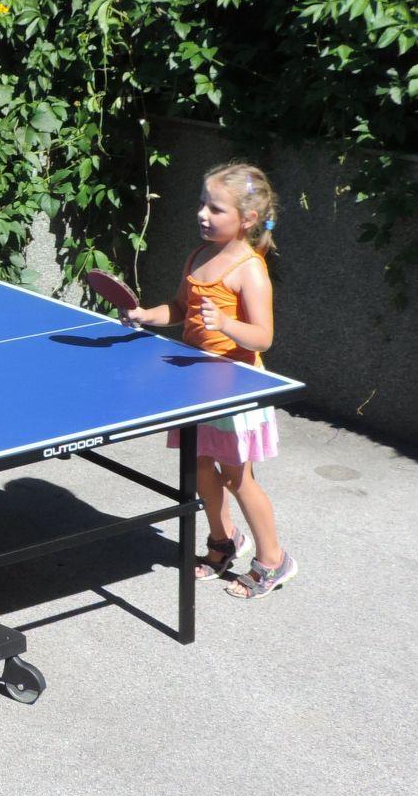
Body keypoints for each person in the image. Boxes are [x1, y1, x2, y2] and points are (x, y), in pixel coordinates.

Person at [122, 163, 294, 600]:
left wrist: (226, 324)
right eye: (202, 204)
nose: (203, 214)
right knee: (197, 466)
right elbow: (180, 308)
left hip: (234, 387)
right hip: (196, 384)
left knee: (238, 478)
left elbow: (263, 337)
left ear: (247, 219)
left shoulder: (250, 269)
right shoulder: (199, 256)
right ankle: (223, 540)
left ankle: (274, 559)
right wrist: (147, 315)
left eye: (216, 208)